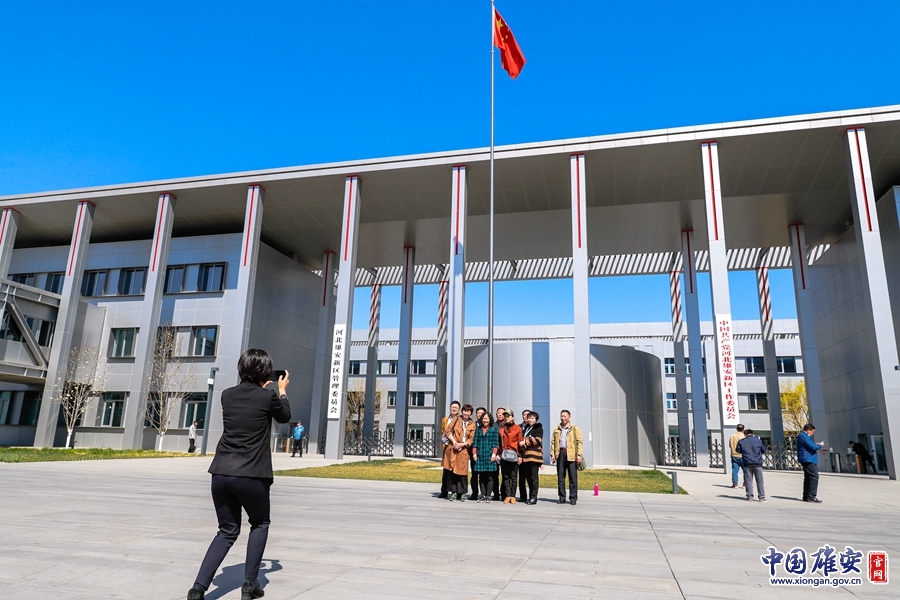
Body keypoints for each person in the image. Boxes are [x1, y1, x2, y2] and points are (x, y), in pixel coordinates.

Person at [187, 349, 291, 600]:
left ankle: (198, 588)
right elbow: (284, 417)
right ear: (266, 372)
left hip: (221, 473)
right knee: (260, 523)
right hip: (252, 474)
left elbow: (248, 404)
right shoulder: (268, 396)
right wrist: (282, 390)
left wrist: (262, 386)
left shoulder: (227, 395)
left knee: (226, 530)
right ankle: (250, 584)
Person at [550, 410, 583, 505]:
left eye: (565, 416)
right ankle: (562, 497)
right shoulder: (557, 429)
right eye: (561, 416)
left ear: (569, 417)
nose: (563, 418)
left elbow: (579, 442)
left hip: (571, 455)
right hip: (560, 454)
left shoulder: (575, 429)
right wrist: (552, 454)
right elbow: (553, 442)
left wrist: (579, 455)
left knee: (573, 478)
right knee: (561, 477)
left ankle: (573, 498)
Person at [443, 404, 475, 501]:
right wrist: (454, 442)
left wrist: (462, 444)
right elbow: (447, 431)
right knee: (452, 470)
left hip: (464, 449)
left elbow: (471, 439)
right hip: (454, 447)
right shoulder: (456, 419)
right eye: (465, 411)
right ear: (462, 411)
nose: (466, 413)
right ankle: (453, 492)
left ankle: (463, 492)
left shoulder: (472, 424)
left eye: (468, 411)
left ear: (471, 413)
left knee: (462, 471)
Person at [472, 411, 499, 502]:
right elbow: (475, 443)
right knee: (481, 476)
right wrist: (474, 453)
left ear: (490, 419)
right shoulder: (478, 429)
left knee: (490, 477)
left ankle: (488, 495)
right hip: (480, 455)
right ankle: (482, 495)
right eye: (484, 419)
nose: (485, 420)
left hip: (489, 455)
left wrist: (494, 454)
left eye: (487, 419)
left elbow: (496, 444)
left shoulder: (494, 429)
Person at [498, 411, 523, 503]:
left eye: (508, 416)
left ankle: (513, 496)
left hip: (514, 454)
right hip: (504, 455)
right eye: (505, 416)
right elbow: (499, 443)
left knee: (513, 476)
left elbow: (520, 443)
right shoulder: (501, 428)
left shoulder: (517, 428)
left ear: (512, 417)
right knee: (505, 476)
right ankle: (507, 495)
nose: (506, 418)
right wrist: (498, 454)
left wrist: (520, 456)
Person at [518, 411, 543, 505]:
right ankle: (530, 496)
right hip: (526, 456)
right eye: (529, 418)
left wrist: (526, 441)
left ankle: (534, 497)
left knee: (534, 478)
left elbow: (537, 440)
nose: (530, 420)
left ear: (536, 419)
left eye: (533, 418)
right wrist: (527, 441)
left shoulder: (538, 428)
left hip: (534, 456)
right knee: (528, 477)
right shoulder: (527, 428)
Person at [736, 429, 766, 502]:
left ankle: (749, 496)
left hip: (747, 463)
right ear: (753, 434)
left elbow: (738, 450)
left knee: (748, 481)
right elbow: (764, 450)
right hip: (758, 463)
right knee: (760, 481)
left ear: (745, 434)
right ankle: (762, 497)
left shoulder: (741, 441)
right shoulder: (758, 441)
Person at [438, 401, 461, 499]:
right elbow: (443, 432)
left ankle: (457, 492)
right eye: (452, 407)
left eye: (456, 407)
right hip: (447, 447)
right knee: (446, 470)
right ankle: (444, 491)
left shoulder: (461, 419)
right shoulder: (445, 419)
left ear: (459, 409)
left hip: (457, 447)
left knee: (457, 470)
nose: (454, 409)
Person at [797, 423, 825, 503]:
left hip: (807, 458)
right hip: (808, 459)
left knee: (808, 477)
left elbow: (810, 446)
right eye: (813, 432)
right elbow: (813, 447)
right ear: (808, 430)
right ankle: (811, 496)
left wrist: (816, 445)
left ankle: (806, 496)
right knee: (814, 476)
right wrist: (820, 445)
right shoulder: (804, 436)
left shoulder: (803, 436)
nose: (813, 433)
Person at [469, 407, 487, 500]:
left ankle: (484, 494)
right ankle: (474, 493)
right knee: (474, 474)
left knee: (483, 475)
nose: (479, 415)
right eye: (478, 413)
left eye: (481, 413)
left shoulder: (487, 426)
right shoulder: (472, 425)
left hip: (484, 454)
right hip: (474, 453)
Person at [493, 406, 508, 500]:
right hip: (495, 453)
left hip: (504, 453)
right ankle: (495, 494)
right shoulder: (493, 425)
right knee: (494, 475)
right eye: (498, 413)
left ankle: (504, 493)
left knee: (505, 474)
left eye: (502, 413)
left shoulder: (507, 425)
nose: (500, 415)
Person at [518, 409, 530, 502]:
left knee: (530, 477)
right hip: (520, 454)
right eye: (524, 415)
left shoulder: (533, 427)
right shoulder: (518, 427)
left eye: (527, 415)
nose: (525, 416)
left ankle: (532, 496)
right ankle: (523, 496)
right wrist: (519, 455)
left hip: (530, 455)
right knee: (521, 478)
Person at [728, 424, 745, 489]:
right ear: (743, 429)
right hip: (743, 455)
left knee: (735, 470)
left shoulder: (732, 436)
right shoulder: (744, 436)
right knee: (746, 471)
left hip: (734, 455)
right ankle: (745, 484)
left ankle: (735, 484)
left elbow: (730, 445)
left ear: (736, 429)